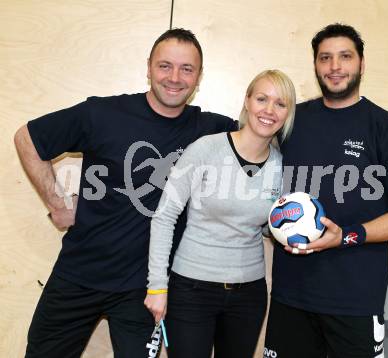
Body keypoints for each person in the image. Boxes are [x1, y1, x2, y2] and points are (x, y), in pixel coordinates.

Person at [14, 28, 236, 358]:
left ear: (199, 76)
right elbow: (27, 138)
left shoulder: (210, 129)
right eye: (165, 66)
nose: (174, 77)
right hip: (78, 275)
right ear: (148, 67)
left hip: (144, 290)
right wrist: (57, 204)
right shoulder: (102, 114)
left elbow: (265, 134)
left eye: (186, 69)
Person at [264, 23, 388, 358]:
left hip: (355, 299)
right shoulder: (293, 122)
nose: (335, 66)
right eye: (325, 58)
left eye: (345, 56)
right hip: (290, 295)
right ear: (315, 66)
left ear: (361, 63)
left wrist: (345, 236)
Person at [145, 69, 296, 358]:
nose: (269, 110)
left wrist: (286, 228)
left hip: (248, 295)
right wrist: (157, 287)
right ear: (247, 101)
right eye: (262, 99)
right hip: (191, 289)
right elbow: (165, 216)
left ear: (288, 113)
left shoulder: (281, 167)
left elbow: (264, 225)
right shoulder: (206, 149)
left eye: (280, 103)